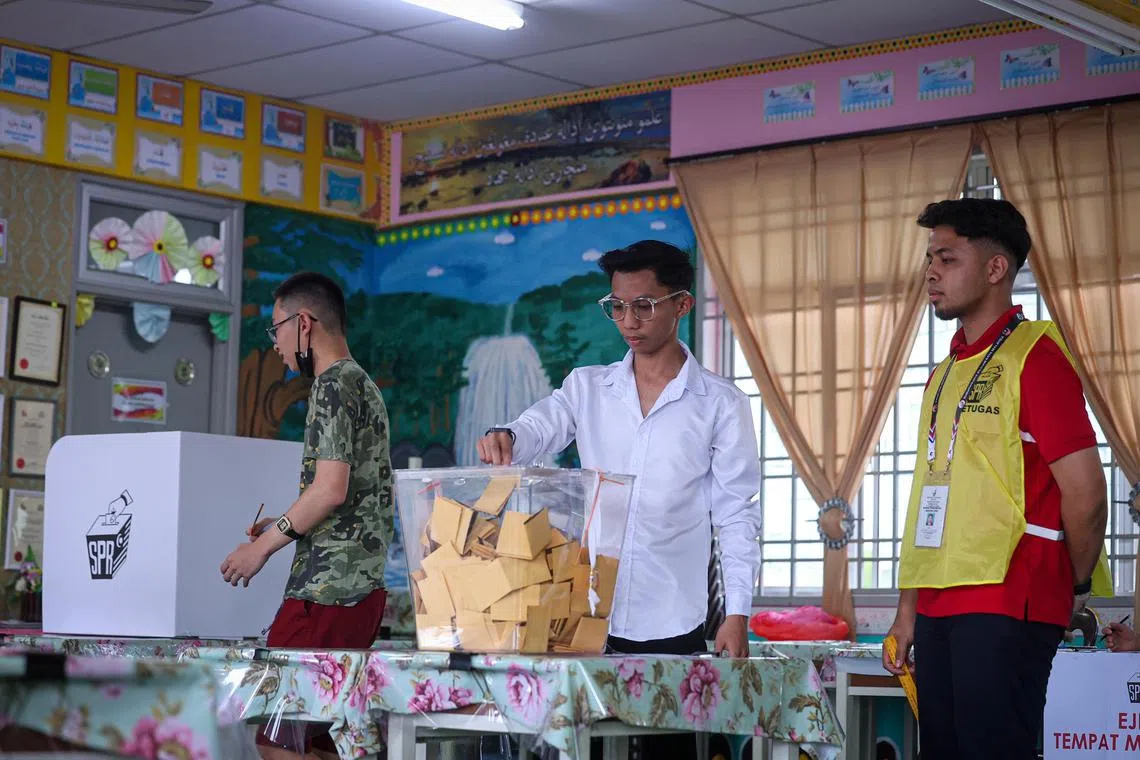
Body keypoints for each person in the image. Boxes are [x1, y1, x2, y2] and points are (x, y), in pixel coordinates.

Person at [884, 198, 1111, 760]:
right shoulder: (944, 373)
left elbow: (1086, 494)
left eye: (947, 257)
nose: (930, 272)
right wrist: (908, 608)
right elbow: (930, 496)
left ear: (995, 269)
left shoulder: (1037, 357)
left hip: (1011, 597)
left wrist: (1074, 586)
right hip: (937, 603)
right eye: (929, 259)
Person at [477, 239, 761, 657]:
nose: (629, 321)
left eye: (644, 305)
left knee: (669, 724)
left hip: (673, 615)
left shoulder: (720, 403)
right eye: (617, 306)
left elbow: (736, 514)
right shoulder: (587, 387)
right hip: (586, 610)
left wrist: (737, 615)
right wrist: (510, 436)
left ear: (681, 305)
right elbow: (539, 427)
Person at [220, 271, 393, 759]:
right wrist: (284, 518)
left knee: (277, 737)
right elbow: (347, 493)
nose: (274, 344)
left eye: (276, 329)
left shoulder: (333, 386)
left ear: (303, 322)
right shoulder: (363, 384)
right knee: (315, 738)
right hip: (360, 591)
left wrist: (261, 547)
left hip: (327, 593)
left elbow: (330, 490)